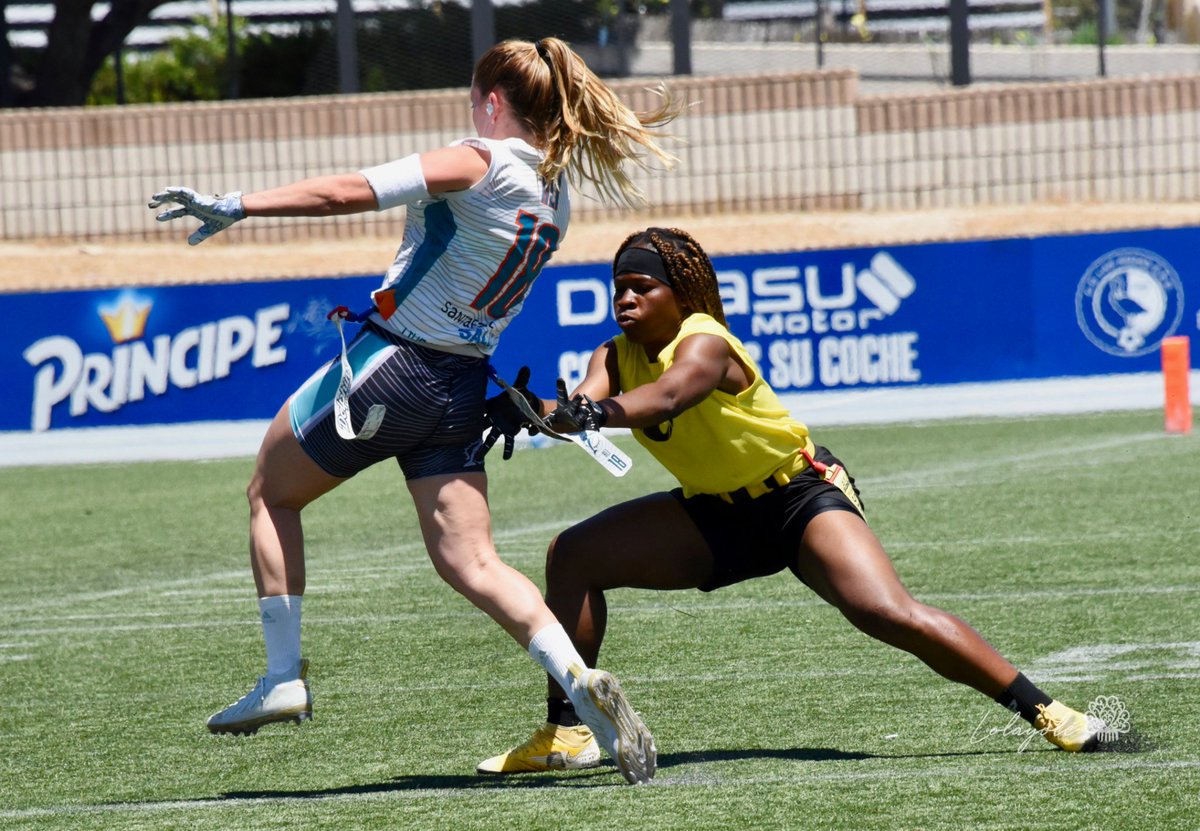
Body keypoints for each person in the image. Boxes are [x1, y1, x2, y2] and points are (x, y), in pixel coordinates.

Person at [148, 38, 680, 785]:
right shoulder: (554, 195)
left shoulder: (480, 158)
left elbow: (348, 191)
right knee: (473, 560)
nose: (470, 112)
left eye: (474, 100)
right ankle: (578, 681)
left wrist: (240, 203)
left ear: (493, 102)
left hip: (393, 367)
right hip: (461, 387)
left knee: (271, 489)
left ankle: (282, 675)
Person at [476, 226, 1107, 775]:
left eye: (643, 285)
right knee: (574, 553)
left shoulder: (705, 340)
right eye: (619, 286)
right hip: (716, 513)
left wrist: (591, 411)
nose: (626, 297)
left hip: (797, 496)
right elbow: (585, 401)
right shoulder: (613, 355)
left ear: (682, 293)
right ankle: (570, 730)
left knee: (885, 612)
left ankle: (1048, 712)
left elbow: (666, 398)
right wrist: (533, 410)